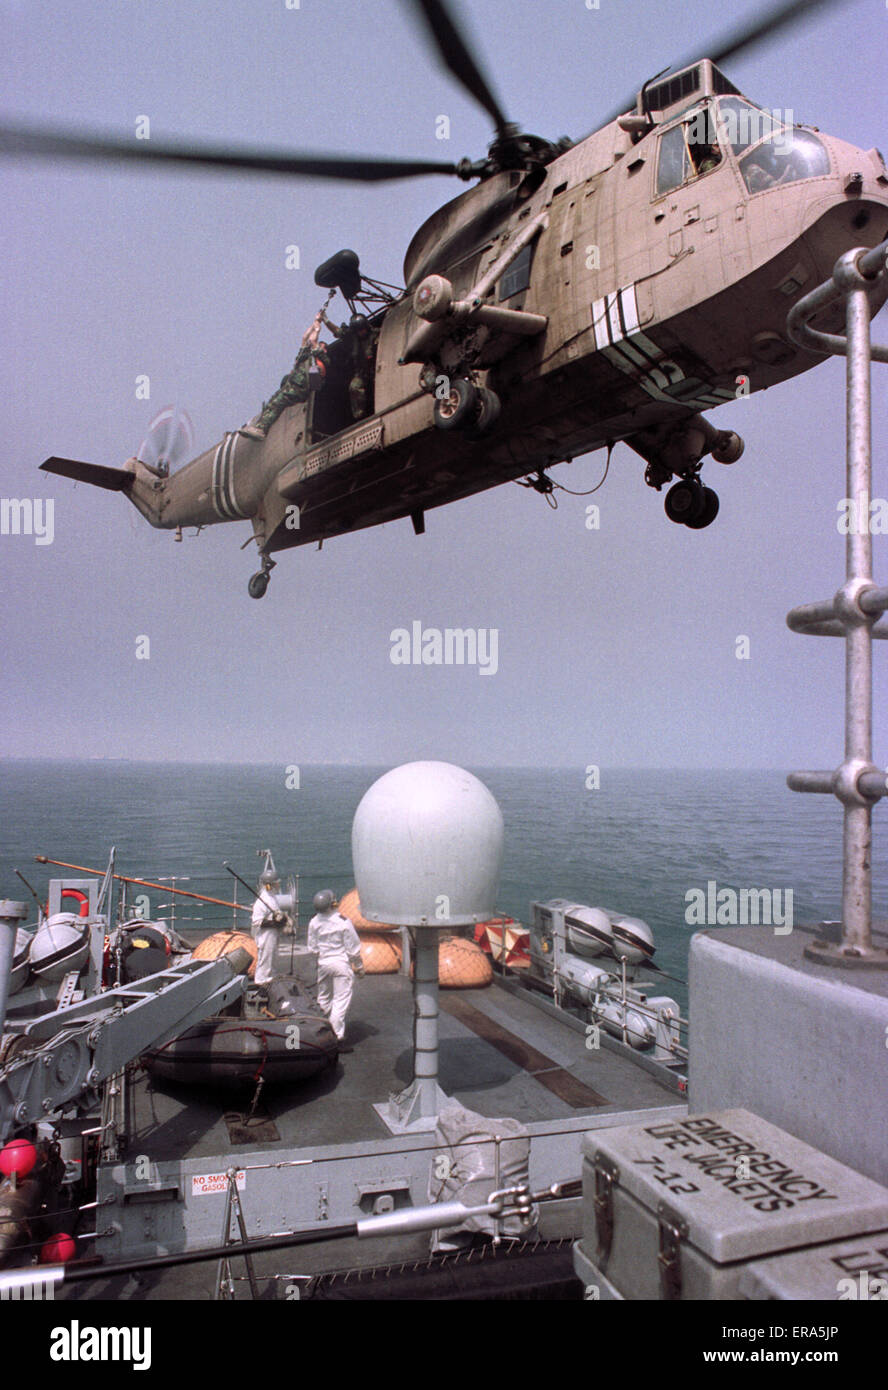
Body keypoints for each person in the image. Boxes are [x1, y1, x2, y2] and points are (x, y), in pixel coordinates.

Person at [240, 312, 329, 441]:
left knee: (278, 402)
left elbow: (312, 341)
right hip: (293, 386)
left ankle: (261, 429)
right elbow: (305, 338)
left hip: (300, 389)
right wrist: (314, 323)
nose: (319, 347)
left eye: (322, 347)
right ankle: (259, 427)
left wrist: (317, 326)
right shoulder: (305, 357)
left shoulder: (323, 359)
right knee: (273, 401)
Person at [307, 889, 364, 1044]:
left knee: (323, 998)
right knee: (340, 1001)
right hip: (340, 965)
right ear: (333, 904)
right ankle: (336, 1037)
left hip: (323, 964)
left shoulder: (314, 922)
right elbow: (353, 948)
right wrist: (359, 967)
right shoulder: (343, 922)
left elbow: (312, 948)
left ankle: (318, 1029)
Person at [251, 871, 289, 986]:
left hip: (273, 933)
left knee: (272, 955)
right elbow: (257, 921)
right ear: (269, 885)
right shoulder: (262, 901)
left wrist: (282, 919)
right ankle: (261, 980)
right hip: (266, 934)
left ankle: (271, 976)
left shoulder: (272, 897)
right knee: (265, 957)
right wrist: (275, 922)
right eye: (276, 883)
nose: (278, 885)